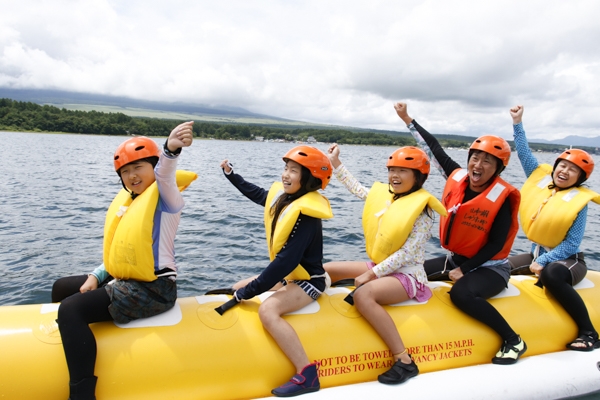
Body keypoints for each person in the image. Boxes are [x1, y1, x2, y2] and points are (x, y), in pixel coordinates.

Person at [53, 122, 196, 400]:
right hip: (127, 282)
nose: (131, 176)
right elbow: (124, 252)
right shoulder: (131, 202)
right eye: (125, 171)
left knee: (71, 310)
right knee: (61, 288)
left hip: (155, 289)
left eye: (138, 168)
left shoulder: (168, 200)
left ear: (153, 167)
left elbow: (165, 174)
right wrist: (96, 276)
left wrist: (170, 149)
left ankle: (82, 394)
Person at [395, 102, 526, 365]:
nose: (478, 165)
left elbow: (497, 243)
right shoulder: (457, 177)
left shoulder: (501, 198)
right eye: (475, 158)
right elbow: (434, 148)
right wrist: (407, 119)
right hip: (458, 259)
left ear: (498, 168)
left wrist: (465, 271)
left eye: (487, 161)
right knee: (406, 271)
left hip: (491, 268)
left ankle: (514, 340)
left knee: (460, 294)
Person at [323, 143, 446, 384]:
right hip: (382, 269)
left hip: (408, 277)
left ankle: (404, 360)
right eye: (392, 170)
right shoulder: (388, 197)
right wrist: (335, 162)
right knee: (329, 268)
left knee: (363, 295)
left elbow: (408, 254)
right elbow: (357, 189)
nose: (394, 176)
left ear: (418, 177)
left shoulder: (423, 212)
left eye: (402, 171)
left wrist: (372, 274)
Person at [220, 146, 333, 397]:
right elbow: (259, 194)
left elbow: (284, 262)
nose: (285, 174)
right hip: (289, 277)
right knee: (236, 286)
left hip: (310, 282)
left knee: (268, 310)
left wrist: (249, 293)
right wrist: (232, 175)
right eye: (285, 168)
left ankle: (306, 372)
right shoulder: (286, 199)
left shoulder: (307, 216)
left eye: (293, 170)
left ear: (311, 178)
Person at [508, 105, 600, 351]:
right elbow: (525, 154)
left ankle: (589, 332)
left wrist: (546, 260)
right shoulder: (542, 181)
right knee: (501, 266)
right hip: (537, 253)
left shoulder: (579, 203)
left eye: (573, 170)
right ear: (555, 166)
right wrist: (517, 122)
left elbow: (572, 244)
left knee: (552, 274)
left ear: (580, 179)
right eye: (563, 165)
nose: (565, 171)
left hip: (569, 261)